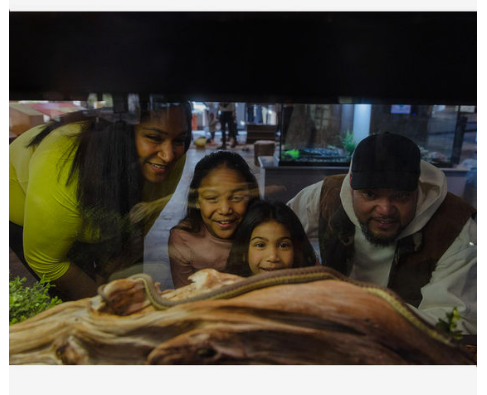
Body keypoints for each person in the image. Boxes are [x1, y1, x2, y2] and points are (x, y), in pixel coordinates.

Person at [287, 132, 477, 335]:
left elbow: (454, 322)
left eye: (400, 196)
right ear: (351, 184)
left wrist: (358, 311)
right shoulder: (324, 197)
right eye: (370, 194)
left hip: (404, 349)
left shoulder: (456, 227)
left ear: (418, 188)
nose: (385, 209)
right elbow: (273, 234)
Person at [9, 99, 192, 301]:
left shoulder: (172, 156)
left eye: (179, 140)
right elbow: (47, 260)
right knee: (79, 300)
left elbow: (139, 222)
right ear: (122, 134)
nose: (168, 156)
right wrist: (105, 305)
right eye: (153, 137)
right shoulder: (62, 163)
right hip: (26, 203)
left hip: (88, 203)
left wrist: (113, 281)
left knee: (127, 291)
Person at [168, 150, 260, 288]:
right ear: (197, 201)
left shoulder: (263, 230)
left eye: (236, 198)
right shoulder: (183, 238)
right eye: (212, 198)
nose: (224, 210)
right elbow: (184, 299)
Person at [225, 199, 317, 277]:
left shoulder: (316, 292)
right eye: (260, 245)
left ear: (297, 250)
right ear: (244, 252)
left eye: (283, 245)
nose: (273, 257)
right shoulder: (224, 293)